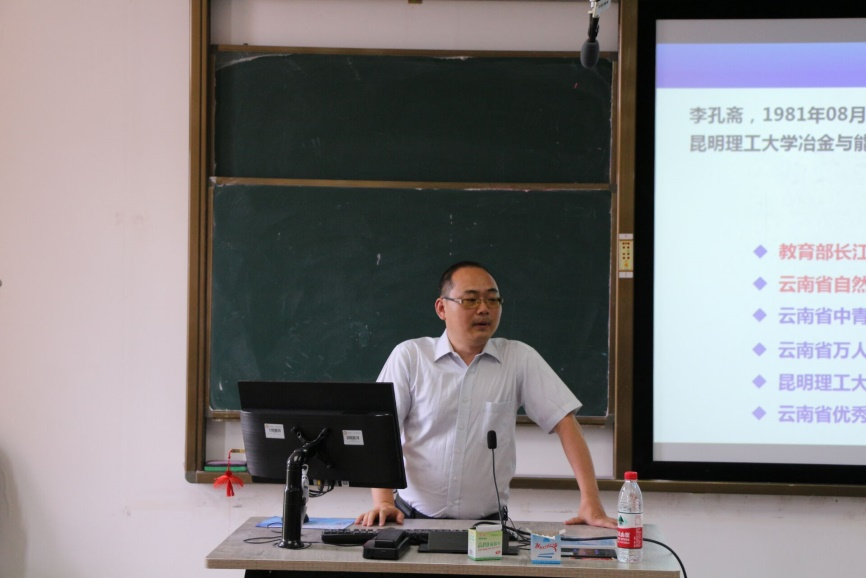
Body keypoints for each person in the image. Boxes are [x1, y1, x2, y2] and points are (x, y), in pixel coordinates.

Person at [355, 261, 616, 529]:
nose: (483, 309)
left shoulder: (518, 358)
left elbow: (565, 422)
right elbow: (378, 430)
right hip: (411, 520)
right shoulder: (411, 357)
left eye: (493, 300)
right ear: (442, 308)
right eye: (470, 300)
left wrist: (591, 502)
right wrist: (383, 501)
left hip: (488, 530)